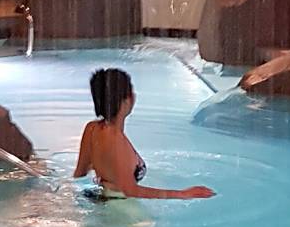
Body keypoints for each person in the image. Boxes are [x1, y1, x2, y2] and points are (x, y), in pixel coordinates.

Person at [73, 67, 215, 200]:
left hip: (99, 198)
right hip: (119, 207)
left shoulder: (92, 129)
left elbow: (80, 174)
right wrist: (183, 194)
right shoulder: (115, 140)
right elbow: (130, 191)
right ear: (127, 100)